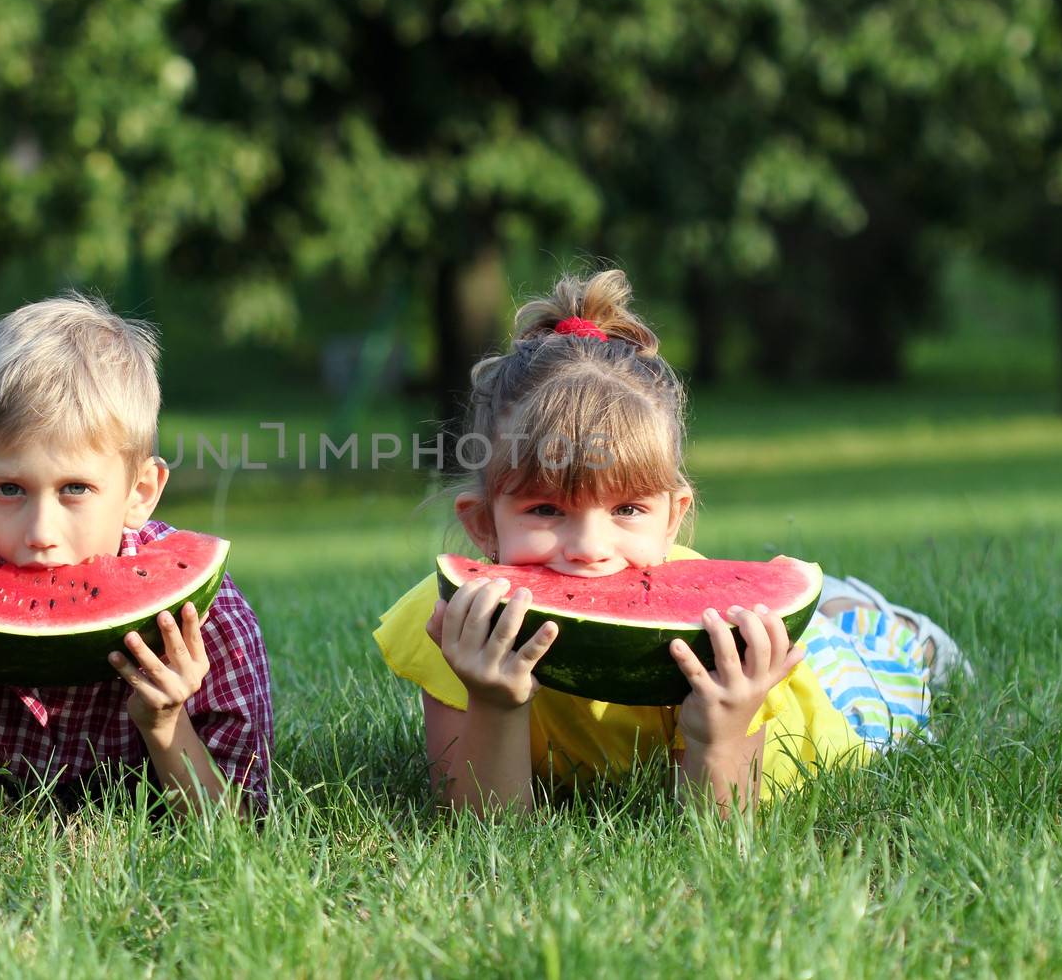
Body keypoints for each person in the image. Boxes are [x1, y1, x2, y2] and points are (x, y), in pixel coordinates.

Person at [373, 269, 966, 816]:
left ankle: (884, 625)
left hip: (823, 713)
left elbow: (720, 826)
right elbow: (487, 827)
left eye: (627, 508)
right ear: (482, 524)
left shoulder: (717, 632)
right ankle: (841, 606)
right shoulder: (455, 623)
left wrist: (721, 730)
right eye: (546, 508)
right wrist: (496, 703)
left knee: (869, 673)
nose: (588, 547)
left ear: (673, 516)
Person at [0, 294, 273, 814]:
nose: (41, 532)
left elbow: (239, 830)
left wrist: (167, 724)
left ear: (141, 491)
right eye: (10, 490)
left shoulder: (208, 622)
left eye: (76, 489)